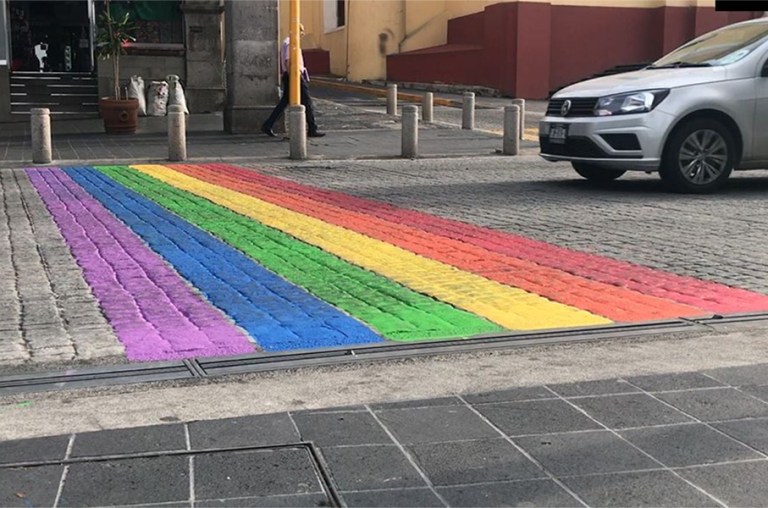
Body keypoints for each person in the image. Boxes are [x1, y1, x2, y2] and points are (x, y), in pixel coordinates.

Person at [262, 24, 325, 138]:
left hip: (290, 75)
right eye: (301, 31)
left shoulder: (287, 42)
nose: (303, 34)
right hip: (294, 75)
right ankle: (312, 128)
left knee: (284, 102)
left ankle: (268, 124)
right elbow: (288, 60)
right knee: (307, 101)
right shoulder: (291, 43)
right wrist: (295, 77)